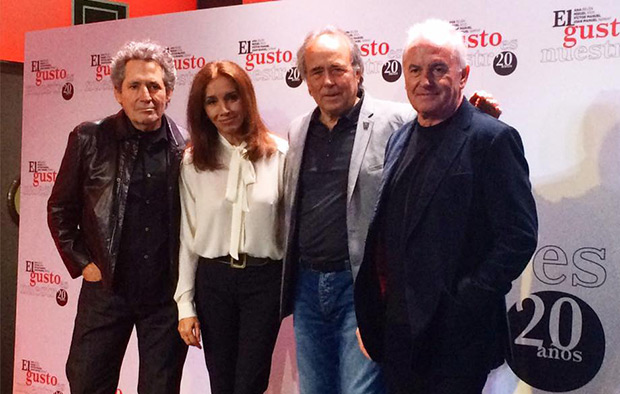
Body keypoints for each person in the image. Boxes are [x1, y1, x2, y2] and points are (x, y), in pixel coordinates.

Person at [280, 26, 501, 394]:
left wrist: (480, 111)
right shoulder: (298, 129)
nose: (328, 81)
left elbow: (446, 129)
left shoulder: (396, 119)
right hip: (306, 287)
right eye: (316, 72)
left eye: (337, 69)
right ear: (305, 80)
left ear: (357, 71)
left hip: (360, 289)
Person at [354, 19, 538, 394]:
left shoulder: (492, 139)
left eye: (439, 69)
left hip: (456, 334)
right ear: (403, 76)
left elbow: (518, 236)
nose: (426, 80)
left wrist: (466, 299)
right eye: (415, 70)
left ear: (463, 75)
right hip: (399, 329)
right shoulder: (401, 136)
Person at [47, 40, 187, 394]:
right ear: (117, 92)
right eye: (135, 85)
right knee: (87, 383)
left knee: (161, 388)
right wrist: (83, 263)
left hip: (164, 299)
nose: (146, 95)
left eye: (155, 86)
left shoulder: (184, 149)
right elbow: (60, 208)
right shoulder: (88, 138)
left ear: (168, 92)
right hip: (106, 291)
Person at [174, 60, 287, 394]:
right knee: (221, 384)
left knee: (251, 384)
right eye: (212, 101)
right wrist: (185, 305)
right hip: (214, 282)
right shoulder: (193, 162)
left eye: (231, 97)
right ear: (202, 109)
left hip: (264, 282)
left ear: (246, 98)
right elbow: (187, 237)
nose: (223, 109)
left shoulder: (281, 154)